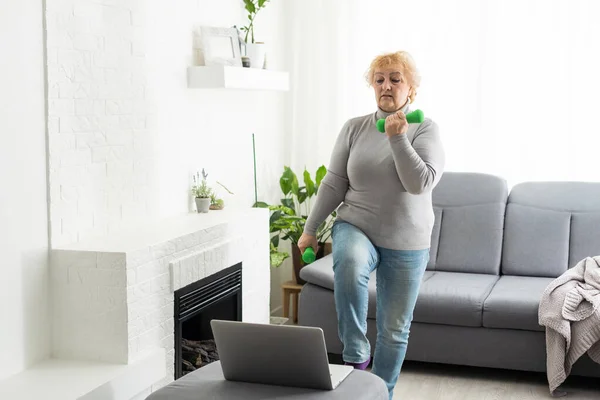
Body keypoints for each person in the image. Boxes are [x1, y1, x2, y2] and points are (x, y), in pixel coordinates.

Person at [298, 50, 445, 399]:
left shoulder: (426, 129)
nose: (386, 85)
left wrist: (397, 137)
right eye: (379, 79)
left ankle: (379, 393)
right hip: (356, 224)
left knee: (394, 330)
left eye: (395, 78)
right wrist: (310, 230)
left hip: (407, 240)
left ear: (412, 88)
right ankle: (356, 353)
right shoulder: (354, 128)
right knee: (348, 263)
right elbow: (334, 183)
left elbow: (419, 183)